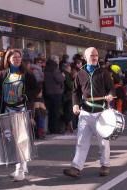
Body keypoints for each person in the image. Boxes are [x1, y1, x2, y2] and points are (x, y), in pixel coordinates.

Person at [63, 47, 115, 178]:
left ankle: (105, 165)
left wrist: (109, 95)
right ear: (86, 57)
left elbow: (111, 89)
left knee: (103, 142)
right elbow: (75, 91)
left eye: (96, 55)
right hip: (85, 112)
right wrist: (75, 104)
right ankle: (76, 167)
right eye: (92, 55)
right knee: (81, 141)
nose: (95, 57)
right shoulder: (80, 73)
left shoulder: (103, 72)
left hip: (101, 112)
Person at [0, 49, 39, 181]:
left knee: (21, 139)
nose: (17, 59)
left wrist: (25, 96)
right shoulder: (2, 74)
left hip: (21, 110)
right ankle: (22, 167)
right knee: (11, 140)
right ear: (8, 60)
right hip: (6, 110)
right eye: (14, 58)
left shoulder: (27, 74)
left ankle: (20, 170)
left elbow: (36, 89)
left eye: (18, 57)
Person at [43, 55, 65, 134]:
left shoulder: (46, 68)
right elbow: (60, 79)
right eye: (58, 59)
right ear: (55, 61)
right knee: (55, 112)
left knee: (50, 111)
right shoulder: (54, 68)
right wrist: (63, 76)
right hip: (56, 93)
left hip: (47, 92)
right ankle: (55, 129)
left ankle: (49, 128)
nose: (59, 61)